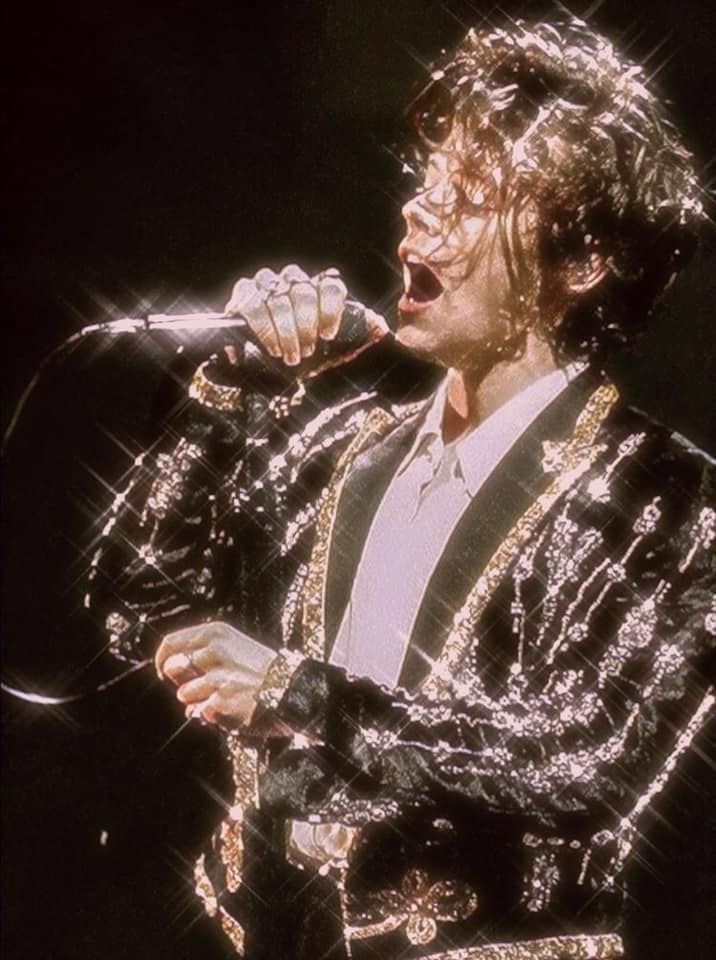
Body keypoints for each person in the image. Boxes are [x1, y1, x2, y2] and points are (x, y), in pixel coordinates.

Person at [87, 15, 715, 960]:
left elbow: (584, 758)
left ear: (583, 261)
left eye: (472, 197)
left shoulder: (669, 497)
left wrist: (299, 692)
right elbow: (134, 604)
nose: (421, 212)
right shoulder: (340, 443)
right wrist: (234, 388)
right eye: (429, 184)